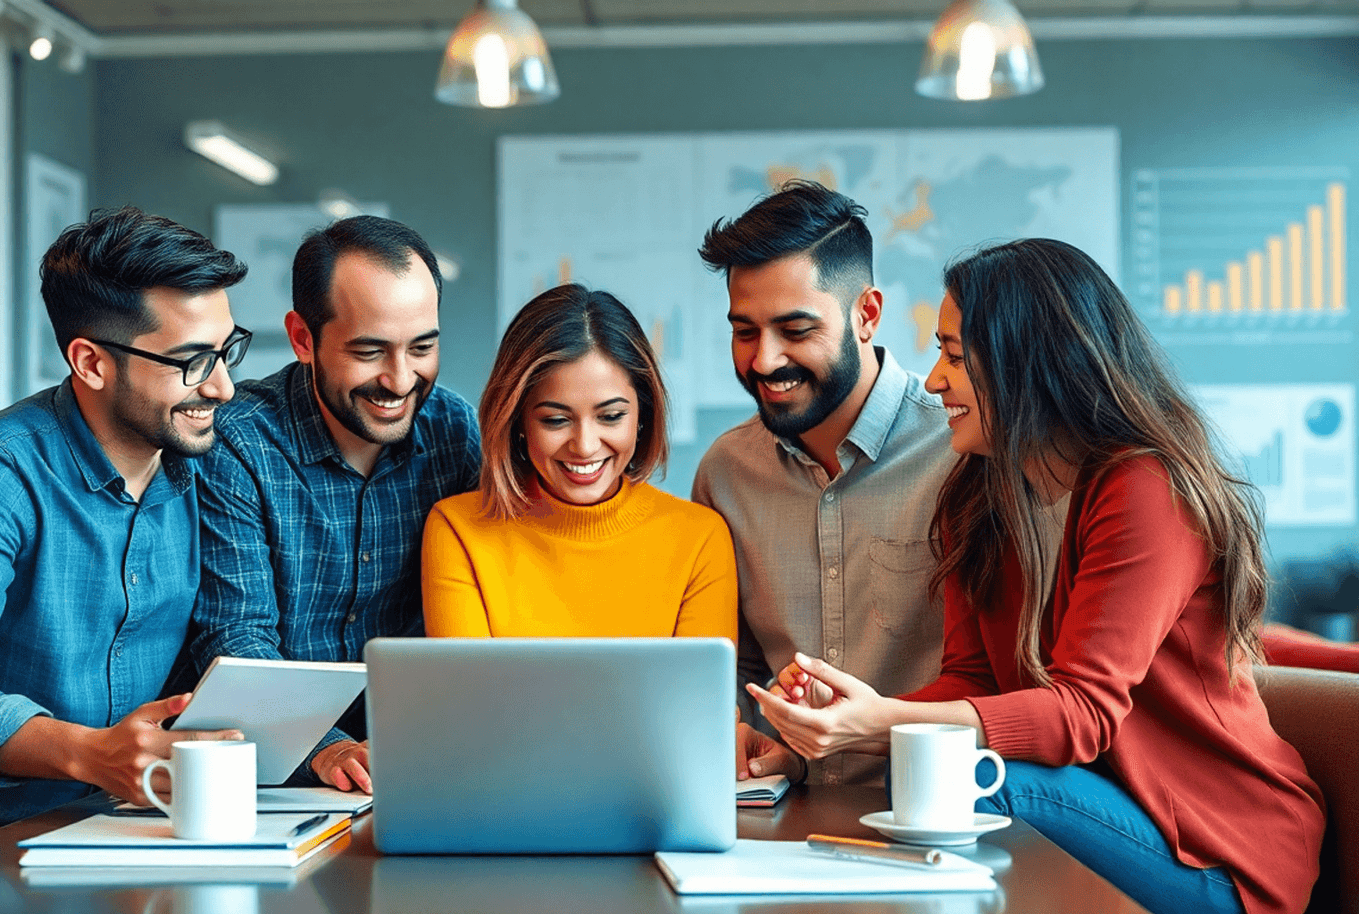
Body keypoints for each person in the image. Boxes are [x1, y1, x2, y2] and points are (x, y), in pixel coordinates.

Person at [751, 239, 1324, 914]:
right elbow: (974, 682)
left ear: (1031, 366)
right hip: (1097, 814)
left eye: (956, 357)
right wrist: (846, 710)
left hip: (1215, 854)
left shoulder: (1144, 487)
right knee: (929, 776)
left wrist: (878, 724)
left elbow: (1082, 715)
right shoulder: (983, 492)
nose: (935, 380)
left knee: (962, 780)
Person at [0, 206, 251, 867]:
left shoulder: (206, 465)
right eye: (191, 361)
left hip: (120, 835)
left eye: (226, 350)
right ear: (91, 362)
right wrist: (91, 753)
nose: (223, 386)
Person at [187, 215, 480, 794]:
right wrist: (329, 749)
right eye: (369, 351)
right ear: (303, 339)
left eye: (422, 347)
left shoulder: (451, 430)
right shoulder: (239, 443)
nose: (400, 380)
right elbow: (235, 638)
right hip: (278, 772)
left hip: (421, 760)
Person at [692, 181, 954, 787]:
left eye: (795, 330)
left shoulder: (962, 449)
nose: (764, 361)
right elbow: (734, 664)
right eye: (745, 331)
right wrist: (743, 729)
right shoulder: (726, 473)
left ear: (866, 315)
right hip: (780, 818)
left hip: (941, 811)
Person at [422, 284, 737, 642]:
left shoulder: (699, 539)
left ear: (642, 416)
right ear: (518, 422)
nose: (585, 446)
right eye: (555, 420)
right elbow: (467, 695)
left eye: (611, 416)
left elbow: (704, 697)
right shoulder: (458, 530)